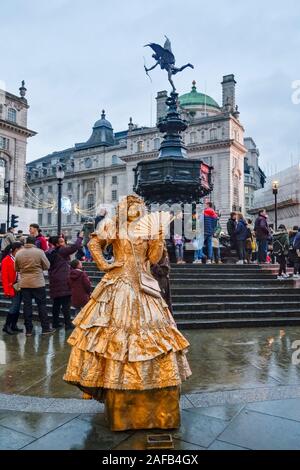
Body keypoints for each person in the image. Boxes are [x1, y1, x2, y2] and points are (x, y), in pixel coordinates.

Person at [63, 195, 191, 431]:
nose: (135, 209)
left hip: (144, 283)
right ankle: (117, 386)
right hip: (119, 282)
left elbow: (153, 259)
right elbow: (93, 243)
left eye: (138, 206)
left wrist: (159, 238)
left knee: (156, 334)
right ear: (124, 208)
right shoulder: (114, 225)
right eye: (131, 206)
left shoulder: (148, 229)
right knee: (113, 335)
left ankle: (152, 391)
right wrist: (104, 263)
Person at [15, 236, 54, 336]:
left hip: (25, 283)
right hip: (38, 282)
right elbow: (47, 266)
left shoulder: (19, 253)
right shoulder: (39, 252)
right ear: (34, 243)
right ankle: (45, 328)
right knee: (41, 305)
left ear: (25, 242)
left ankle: (28, 330)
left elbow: (16, 268)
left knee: (27, 306)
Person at [47, 234, 83, 330]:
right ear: (57, 244)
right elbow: (74, 247)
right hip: (63, 280)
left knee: (56, 303)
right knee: (66, 304)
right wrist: (80, 237)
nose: (64, 243)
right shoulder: (61, 250)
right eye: (62, 242)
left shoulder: (50, 252)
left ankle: (55, 323)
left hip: (54, 280)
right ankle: (68, 324)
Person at [1, 242, 23, 335]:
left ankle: (13, 325)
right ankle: (7, 326)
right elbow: (4, 277)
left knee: (17, 307)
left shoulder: (18, 259)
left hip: (19, 285)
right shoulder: (6, 260)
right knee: (14, 306)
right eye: (21, 249)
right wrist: (6, 290)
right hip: (12, 286)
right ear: (16, 250)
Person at [151, 243, 173, 314]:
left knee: (162, 302)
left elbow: (164, 270)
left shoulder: (163, 253)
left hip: (161, 282)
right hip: (154, 281)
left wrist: (153, 265)